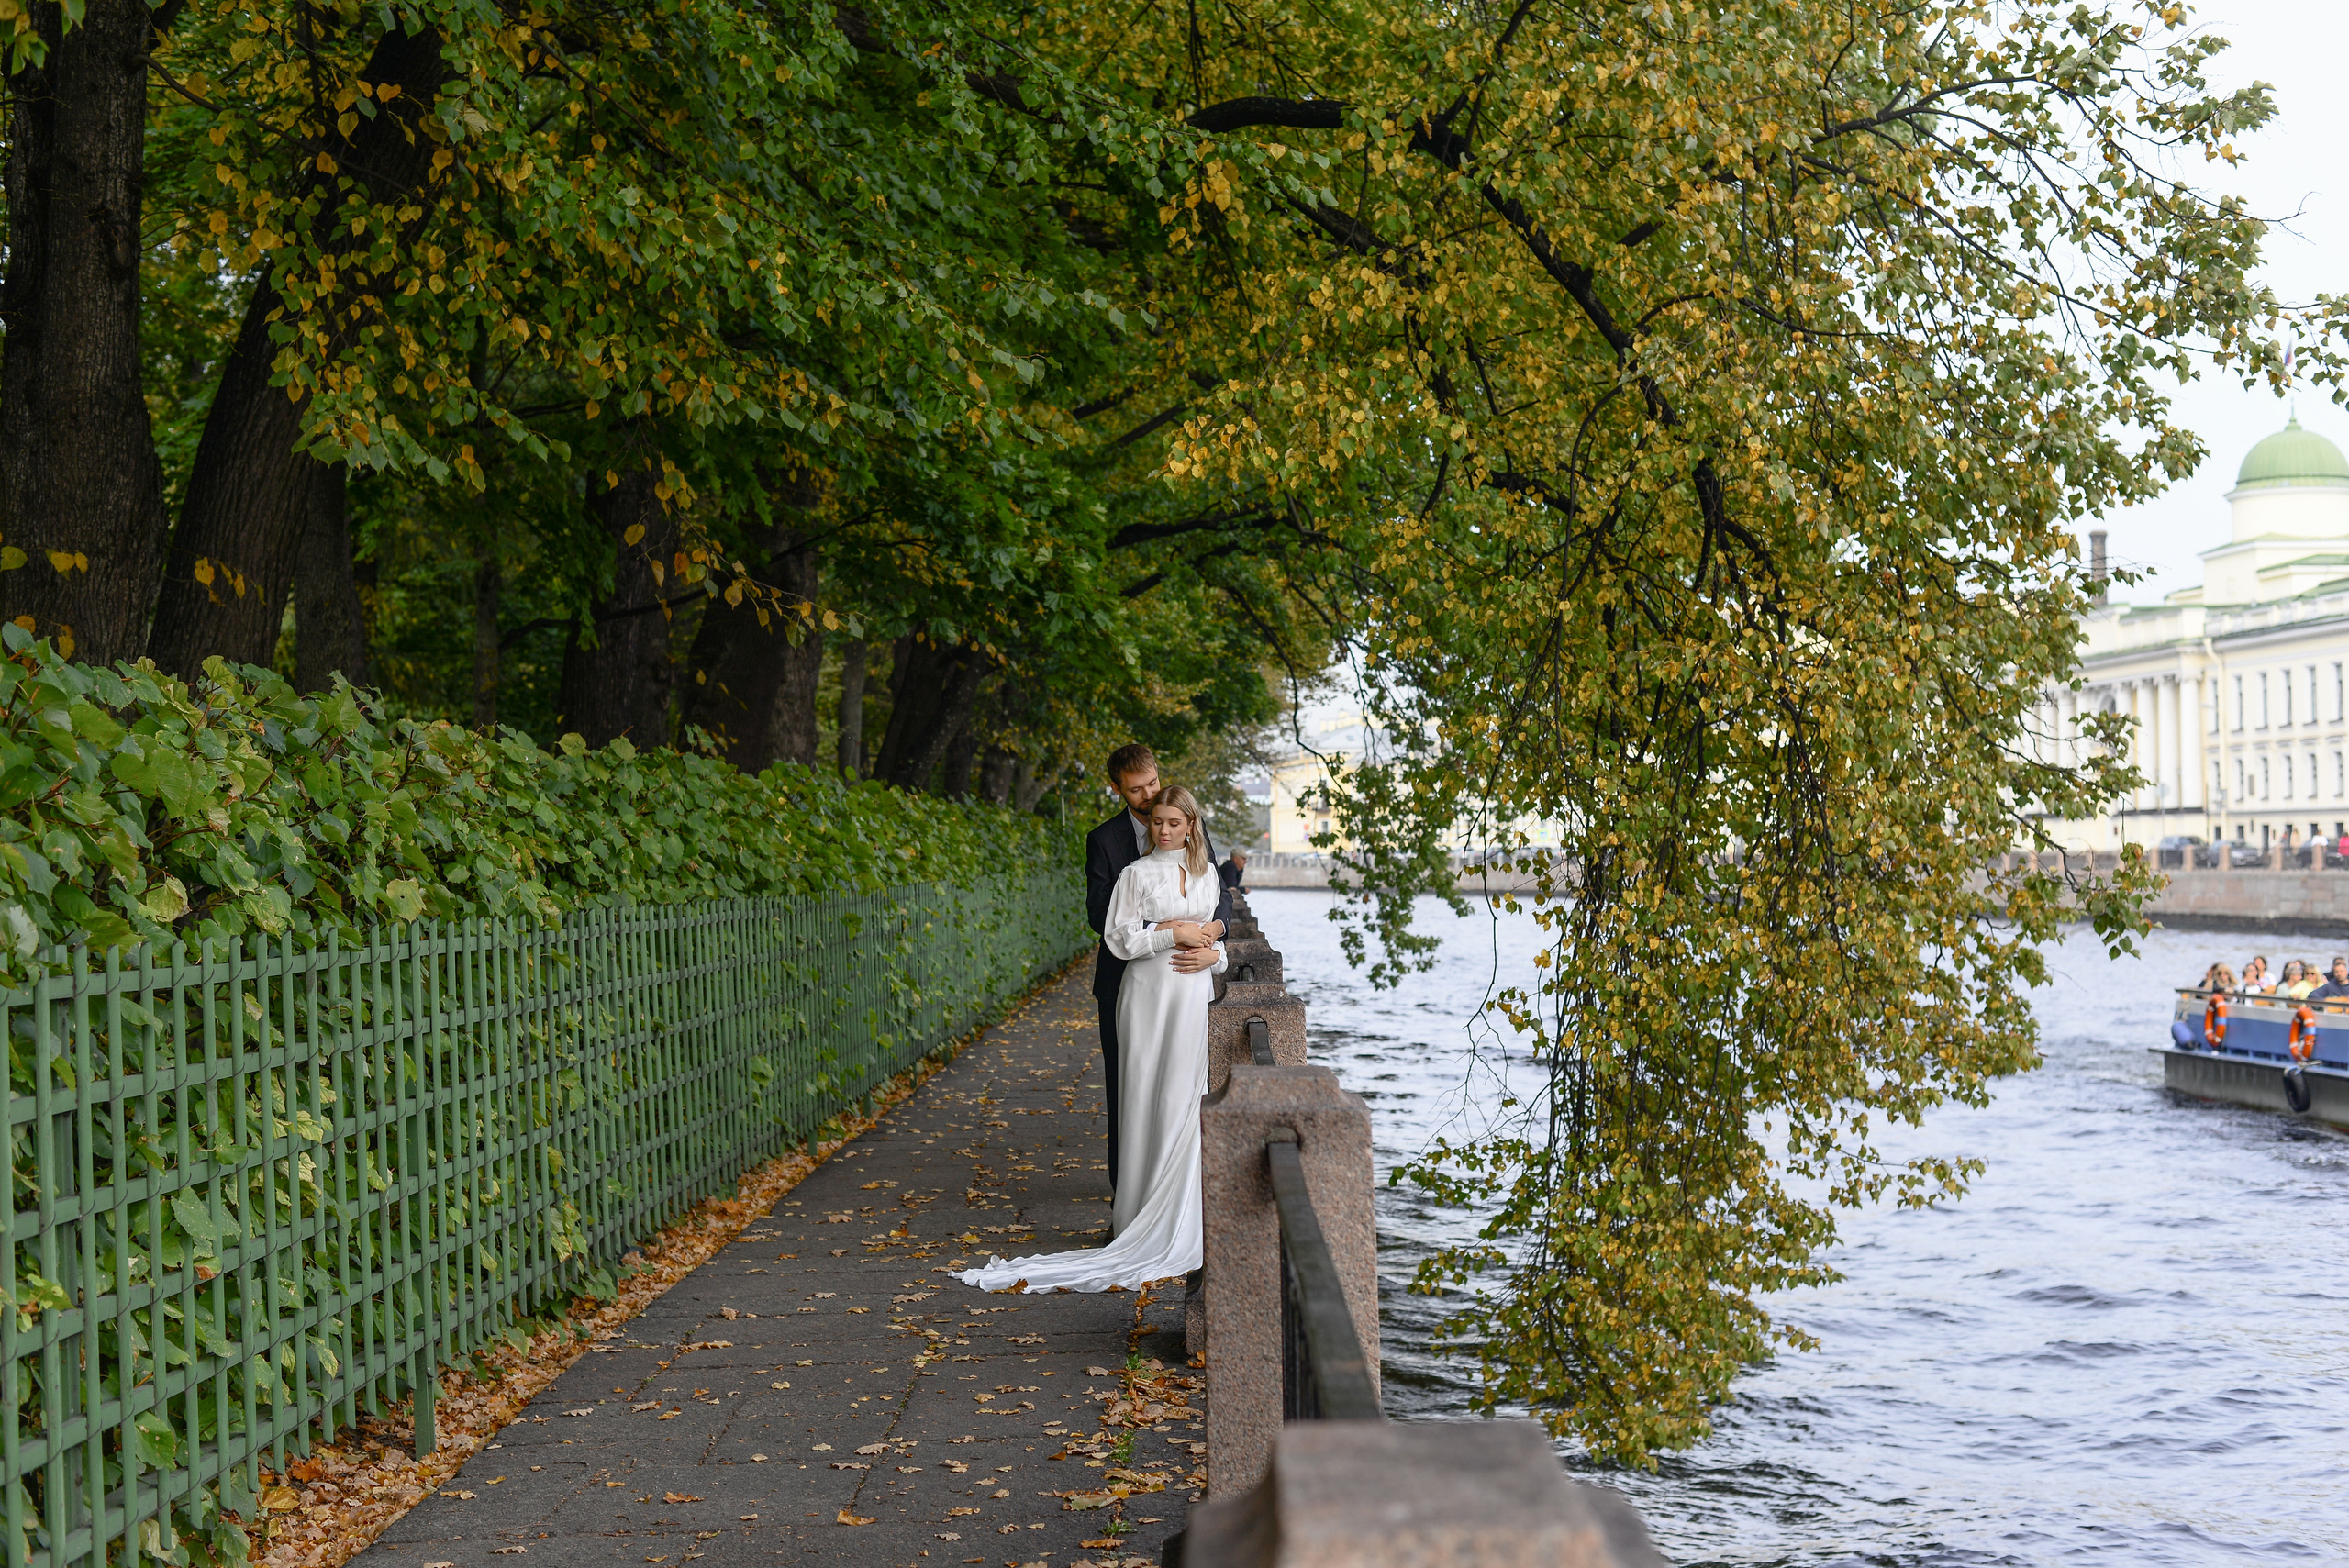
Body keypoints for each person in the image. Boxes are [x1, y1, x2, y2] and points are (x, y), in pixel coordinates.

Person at [959, 785, 1227, 1292]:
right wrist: (1173, 933)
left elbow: (1215, 942)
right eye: (1157, 821)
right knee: (1145, 1096)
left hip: (1191, 996)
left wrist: (1215, 956)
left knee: (1183, 1099)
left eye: (1174, 822)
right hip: (1147, 994)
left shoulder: (1207, 874)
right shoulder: (1134, 873)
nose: (1163, 829)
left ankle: (1181, 1217)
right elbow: (1120, 939)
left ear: (1192, 825)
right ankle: (1138, 1219)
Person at [1082, 744, 1230, 1188]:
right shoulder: (1105, 841)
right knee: (1130, 1088)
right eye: (1135, 790)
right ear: (1117, 790)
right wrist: (1168, 929)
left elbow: (1217, 902)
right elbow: (1100, 915)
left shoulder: (1186, 823)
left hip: (1189, 985)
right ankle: (1124, 1194)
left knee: (1182, 1091)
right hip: (1128, 982)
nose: (1148, 796)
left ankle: (1177, 1194)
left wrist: (1214, 941)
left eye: (1152, 783)